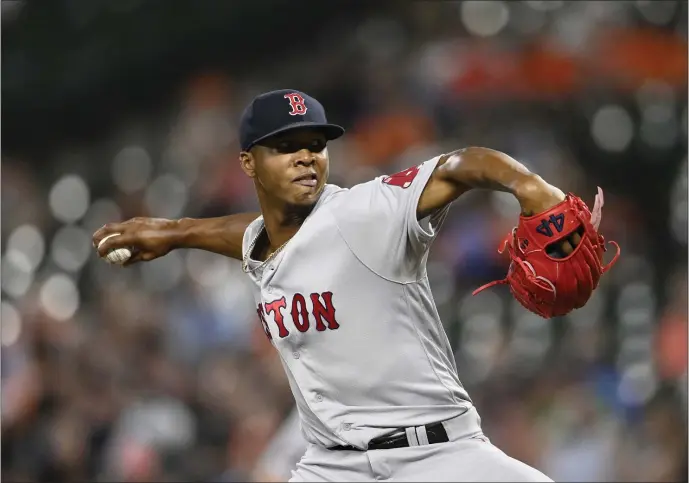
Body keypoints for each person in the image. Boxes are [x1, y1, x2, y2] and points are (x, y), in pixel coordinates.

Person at [94, 89, 569, 482]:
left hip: (437, 456)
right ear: (248, 163)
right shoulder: (262, 240)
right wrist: (177, 233)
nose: (305, 158)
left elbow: (459, 166)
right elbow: (254, 233)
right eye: (286, 147)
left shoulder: (367, 213)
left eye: (315, 145)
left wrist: (531, 188)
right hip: (334, 467)